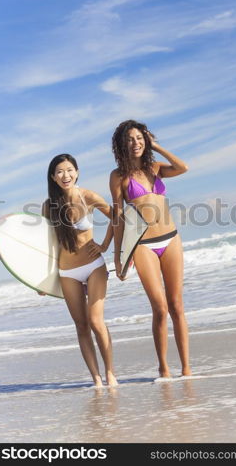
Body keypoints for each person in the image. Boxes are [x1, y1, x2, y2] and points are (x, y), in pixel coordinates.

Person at [110, 120, 191, 378]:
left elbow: (183, 167)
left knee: (177, 305)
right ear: (122, 144)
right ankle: (164, 367)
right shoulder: (118, 176)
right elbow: (118, 216)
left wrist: (157, 145)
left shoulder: (155, 168)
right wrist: (118, 256)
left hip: (171, 239)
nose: (136, 143)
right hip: (143, 245)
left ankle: (187, 368)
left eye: (140, 138)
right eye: (130, 139)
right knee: (160, 308)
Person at [41, 153, 118, 388]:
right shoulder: (49, 206)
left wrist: (105, 245)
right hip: (67, 272)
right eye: (60, 172)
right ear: (53, 178)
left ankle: (110, 372)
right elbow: (47, 244)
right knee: (81, 325)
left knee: (96, 321)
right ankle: (95, 378)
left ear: (77, 171)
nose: (66, 175)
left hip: (93, 266)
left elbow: (118, 217)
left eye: (69, 170)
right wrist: (40, 281)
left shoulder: (88, 196)